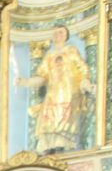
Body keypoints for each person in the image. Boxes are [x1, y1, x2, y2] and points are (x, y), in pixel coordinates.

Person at [16, 25, 92, 154]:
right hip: (53, 95)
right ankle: (50, 147)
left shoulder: (71, 51)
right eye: (55, 33)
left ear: (66, 36)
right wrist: (26, 82)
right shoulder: (49, 56)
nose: (58, 35)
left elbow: (82, 69)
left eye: (61, 32)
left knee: (64, 119)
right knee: (48, 119)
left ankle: (64, 146)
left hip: (68, 94)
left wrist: (85, 83)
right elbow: (41, 77)